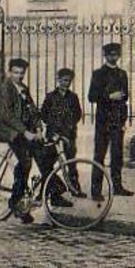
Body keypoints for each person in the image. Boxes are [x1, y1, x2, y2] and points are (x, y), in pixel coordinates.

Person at [0, 57, 71, 224]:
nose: (19, 76)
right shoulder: (4, 89)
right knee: (25, 162)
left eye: (22, 73)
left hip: (26, 131)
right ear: (9, 72)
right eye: (15, 72)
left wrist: (37, 127)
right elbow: (6, 115)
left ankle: (54, 193)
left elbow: (33, 110)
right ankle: (15, 203)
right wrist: (25, 132)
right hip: (11, 132)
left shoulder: (24, 88)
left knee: (45, 156)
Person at [88, 43, 134, 198]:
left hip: (117, 121)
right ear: (105, 55)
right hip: (103, 121)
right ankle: (96, 190)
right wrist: (109, 96)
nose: (113, 57)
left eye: (115, 54)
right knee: (99, 155)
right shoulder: (98, 74)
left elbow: (125, 97)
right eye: (110, 54)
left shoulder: (122, 74)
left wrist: (123, 120)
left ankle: (118, 186)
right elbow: (91, 97)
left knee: (117, 155)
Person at [40, 68, 84, 196]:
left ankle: (75, 188)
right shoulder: (50, 96)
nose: (66, 83)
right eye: (64, 80)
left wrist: (69, 126)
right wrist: (53, 127)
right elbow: (43, 114)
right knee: (48, 164)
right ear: (58, 80)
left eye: (69, 81)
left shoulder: (73, 97)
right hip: (53, 134)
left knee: (71, 161)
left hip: (68, 134)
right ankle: (44, 190)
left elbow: (78, 114)